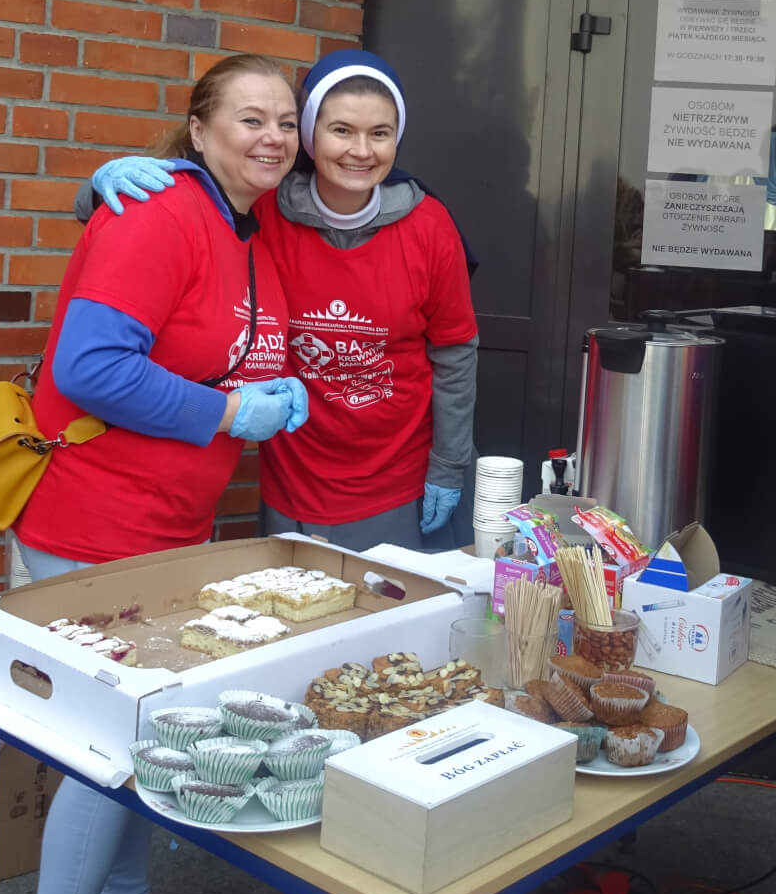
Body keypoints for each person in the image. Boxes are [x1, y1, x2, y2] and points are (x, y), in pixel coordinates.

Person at [17, 52, 308, 894]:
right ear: (197, 129)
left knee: (148, 740)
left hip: (163, 530)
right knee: (112, 750)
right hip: (90, 527)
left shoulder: (244, 224)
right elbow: (90, 367)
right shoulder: (159, 210)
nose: (274, 137)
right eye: (250, 118)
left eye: (286, 122)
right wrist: (230, 413)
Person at [81, 48, 479, 551]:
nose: (361, 150)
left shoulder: (430, 226)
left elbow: (455, 351)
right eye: (341, 130)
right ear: (309, 135)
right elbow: (159, 215)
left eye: (379, 133)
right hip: (295, 475)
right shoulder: (263, 206)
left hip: (400, 476)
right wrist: (100, 187)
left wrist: (449, 464)